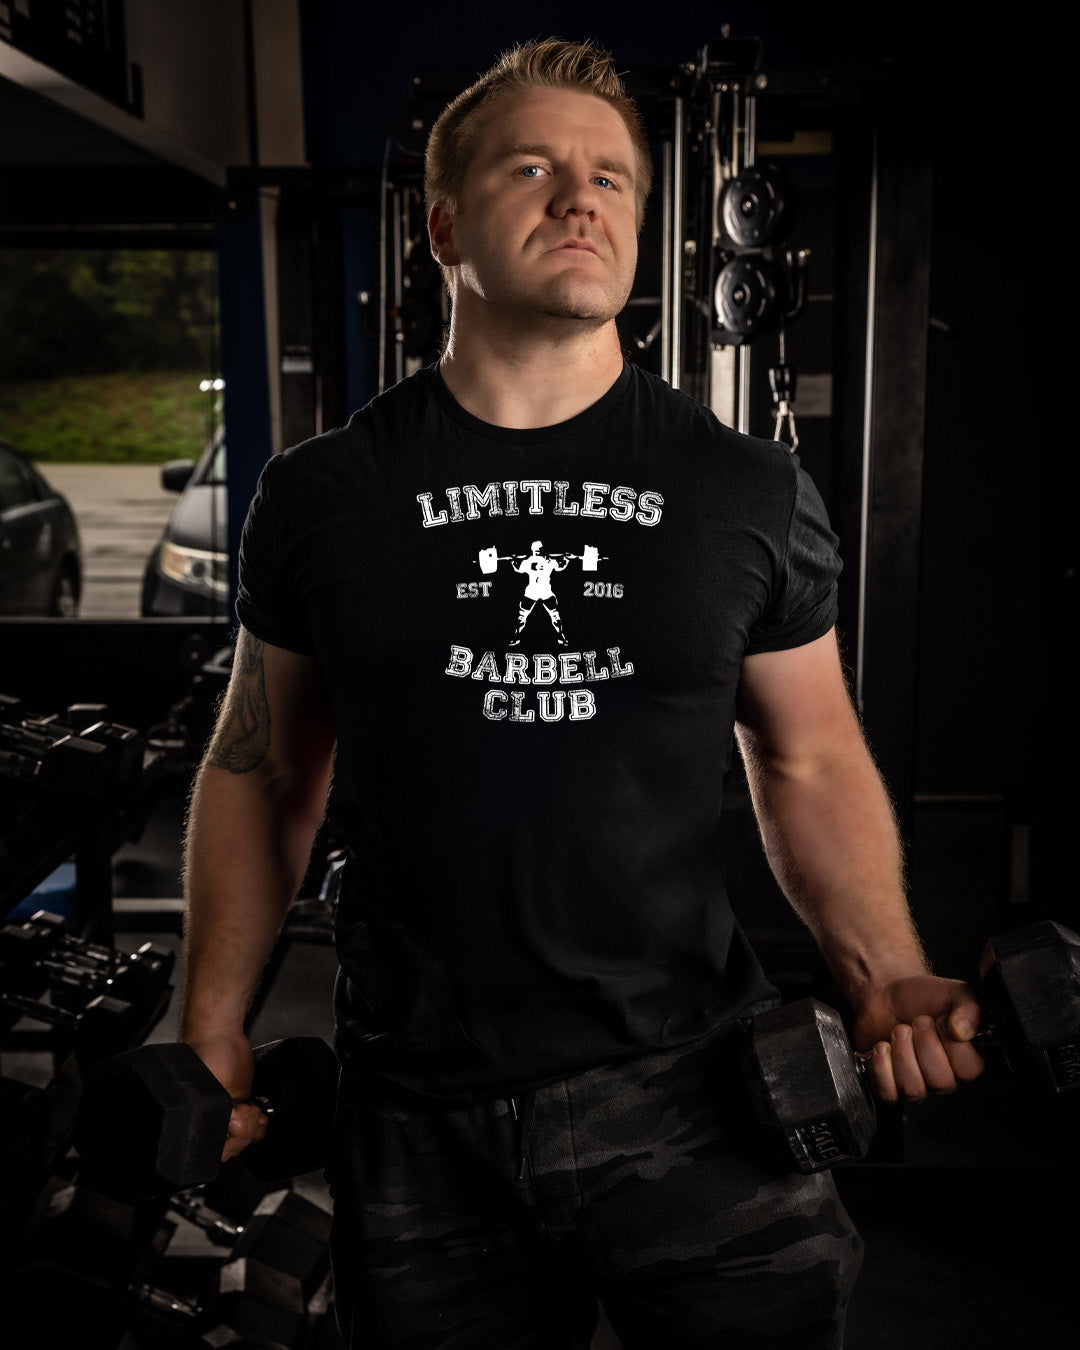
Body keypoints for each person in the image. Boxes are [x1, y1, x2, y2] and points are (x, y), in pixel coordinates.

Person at [179, 37, 985, 1349]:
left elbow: (810, 760)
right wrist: (210, 1026)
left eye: (614, 176)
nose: (582, 198)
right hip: (418, 1107)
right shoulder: (325, 496)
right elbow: (261, 767)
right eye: (535, 166)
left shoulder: (745, 491)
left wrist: (887, 968)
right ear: (443, 225)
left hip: (689, 1088)